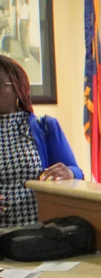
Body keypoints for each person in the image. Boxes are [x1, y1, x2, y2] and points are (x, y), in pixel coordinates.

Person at [0, 55, 83, 228]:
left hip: (36, 231)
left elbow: (77, 173)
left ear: (17, 88)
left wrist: (68, 173)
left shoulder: (44, 127)